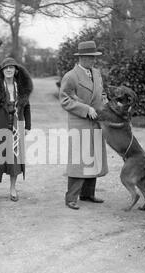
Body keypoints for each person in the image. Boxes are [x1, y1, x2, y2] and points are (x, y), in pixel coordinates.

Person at [59, 40, 109, 210]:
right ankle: (71, 198)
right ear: (80, 57)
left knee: (93, 157)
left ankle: (88, 194)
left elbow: (101, 92)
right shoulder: (71, 76)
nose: (92, 60)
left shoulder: (96, 73)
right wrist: (85, 108)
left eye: (93, 57)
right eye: (88, 57)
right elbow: (65, 99)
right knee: (79, 160)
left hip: (96, 121)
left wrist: (105, 104)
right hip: (80, 122)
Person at [0, 57, 33, 202]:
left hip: (16, 128)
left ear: (16, 71)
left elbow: (26, 107)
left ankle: (13, 189)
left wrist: (27, 126)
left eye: (12, 68)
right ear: (2, 71)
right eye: (6, 68)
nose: (9, 70)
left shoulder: (21, 89)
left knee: (14, 159)